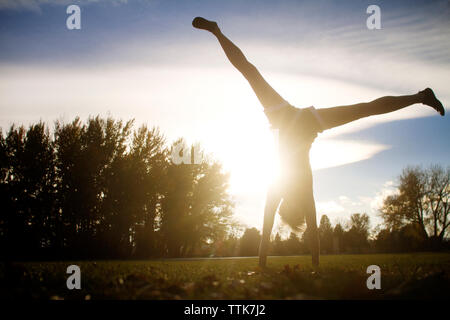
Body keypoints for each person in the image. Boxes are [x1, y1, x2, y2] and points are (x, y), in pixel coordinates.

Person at [192, 17, 445, 268]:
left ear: (285, 208)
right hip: (306, 123)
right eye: (295, 209)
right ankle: (420, 96)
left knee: (251, 73)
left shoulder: (276, 188)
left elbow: (267, 226)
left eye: (290, 209)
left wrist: (261, 266)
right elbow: (312, 231)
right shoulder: (302, 189)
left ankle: (216, 31)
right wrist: (314, 267)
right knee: (362, 109)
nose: (292, 205)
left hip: (284, 117)